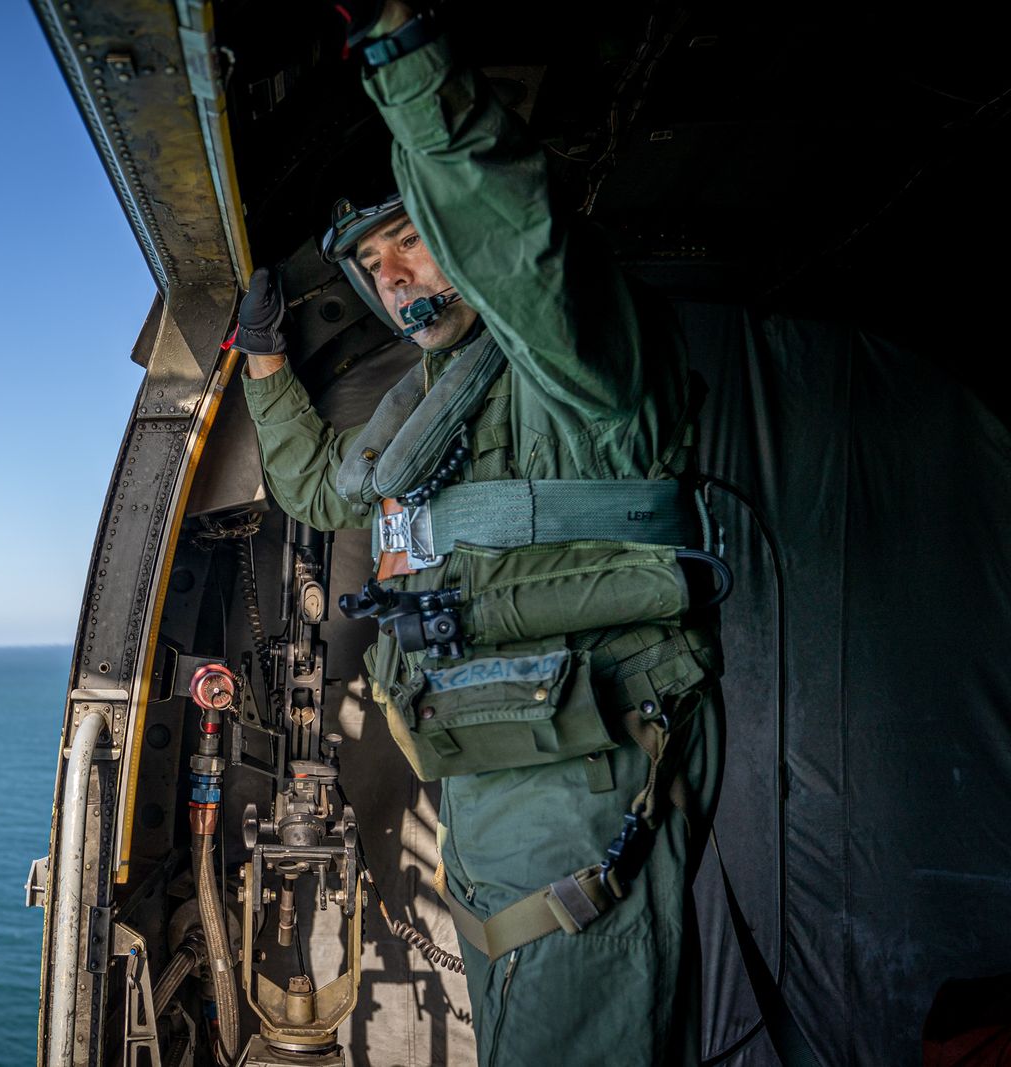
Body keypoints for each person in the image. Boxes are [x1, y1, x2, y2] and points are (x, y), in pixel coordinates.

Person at [234, 2, 726, 1063]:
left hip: (584, 772)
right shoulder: (423, 400)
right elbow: (328, 490)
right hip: (488, 769)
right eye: (378, 267)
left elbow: (520, 247)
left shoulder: (574, 361)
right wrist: (267, 364)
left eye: (412, 239)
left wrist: (402, 61)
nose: (400, 279)